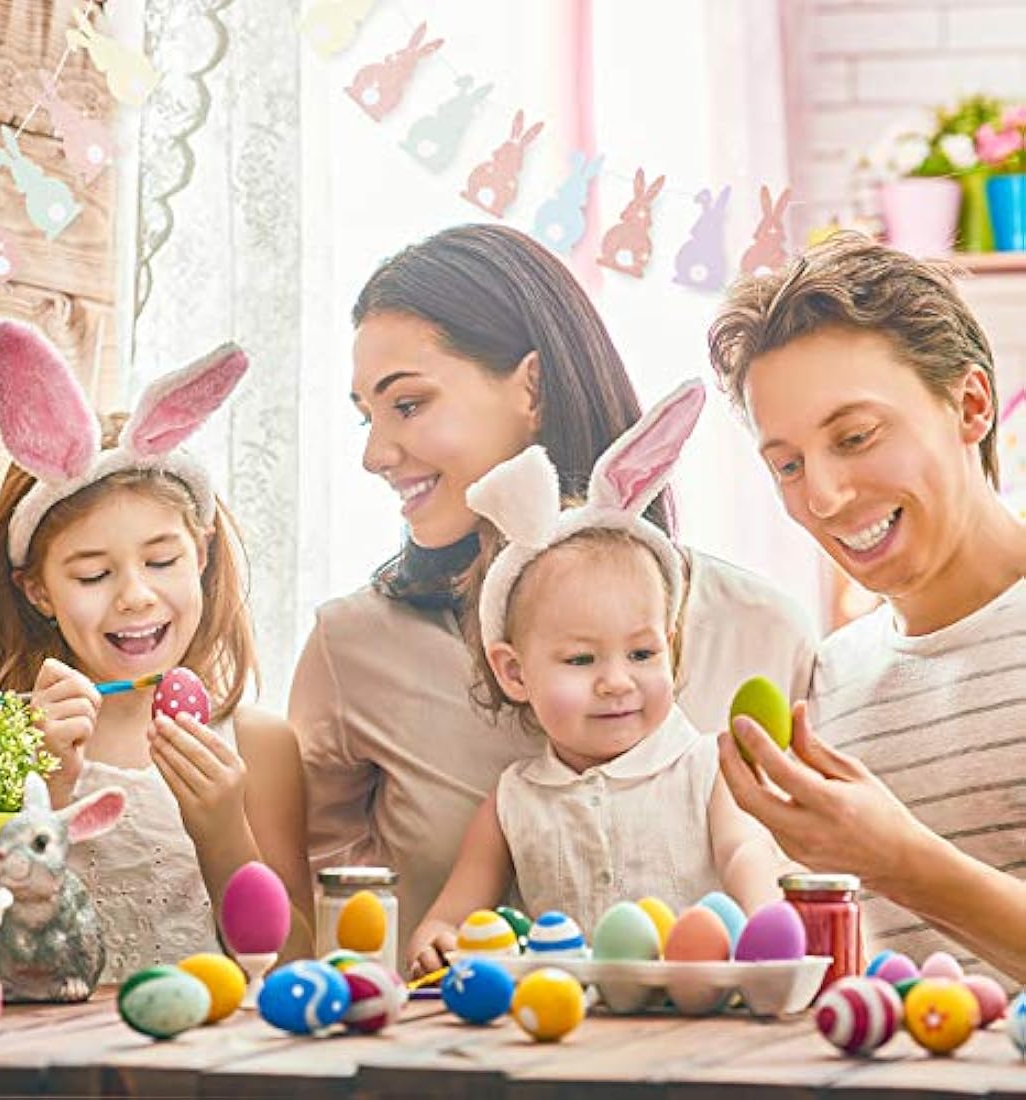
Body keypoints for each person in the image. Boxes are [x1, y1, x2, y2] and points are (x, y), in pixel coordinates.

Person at [290, 224, 816, 949]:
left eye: (407, 405)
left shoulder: (762, 629)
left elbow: (824, 894)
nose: (375, 455)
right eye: (365, 418)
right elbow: (318, 935)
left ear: (531, 386)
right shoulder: (352, 649)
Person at [708, 232, 1026, 984]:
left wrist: (898, 861)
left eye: (855, 436)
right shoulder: (827, 682)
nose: (822, 496)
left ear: (971, 404)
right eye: (787, 464)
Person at [407, 385, 783, 975]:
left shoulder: (708, 768)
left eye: (641, 653)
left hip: (699, 1017)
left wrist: (764, 914)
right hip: (563, 1030)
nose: (616, 682)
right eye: (581, 661)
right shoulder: (515, 799)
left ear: (671, 648)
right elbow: (454, 915)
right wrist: (436, 937)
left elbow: (744, 850)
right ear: (514, 672)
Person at [0, 319, 314, 980]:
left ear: (204, 554)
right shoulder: (0, 739)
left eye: (161, 560)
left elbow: (295, 969)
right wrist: (37, 791)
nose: (135, 596)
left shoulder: (258, 744)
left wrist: (223, 834)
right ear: (38, 590)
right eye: (93, 575)